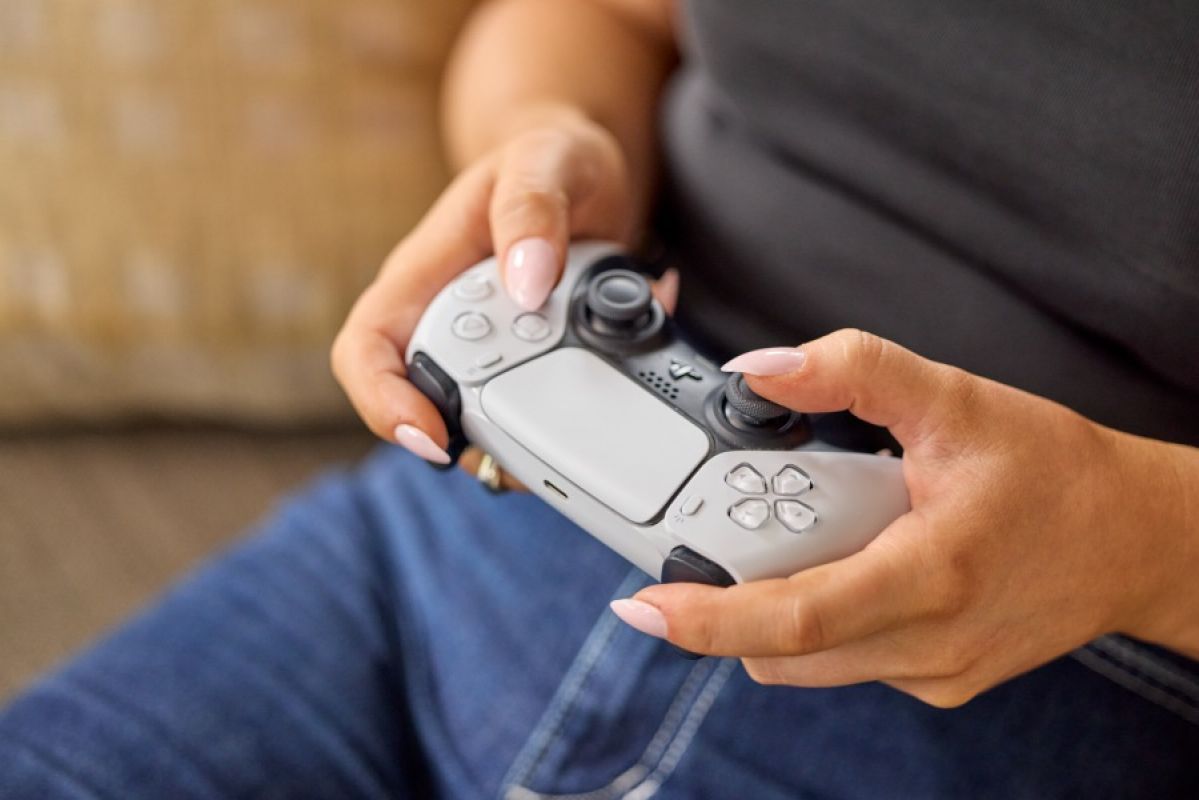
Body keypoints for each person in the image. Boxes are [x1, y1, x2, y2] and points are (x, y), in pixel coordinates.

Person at [3, 0, 1198, 797]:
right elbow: (588, 14)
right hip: (464, 547)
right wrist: (552, 142)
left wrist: (1139, 538)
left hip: (1059, 664)